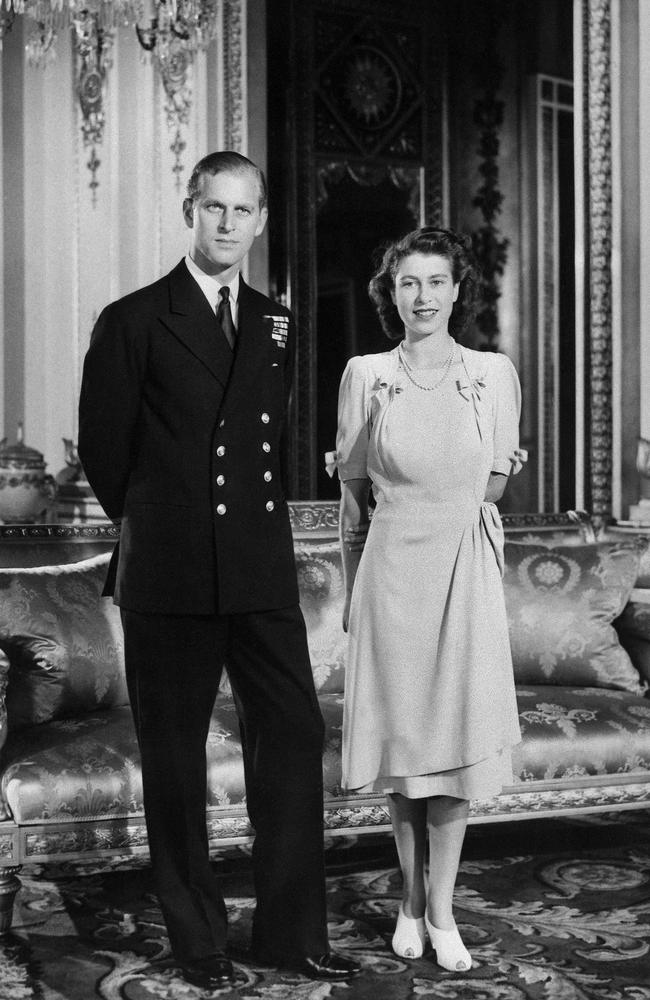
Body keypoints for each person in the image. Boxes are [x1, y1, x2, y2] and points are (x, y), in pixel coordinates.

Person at [78, 151, 360, 991]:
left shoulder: (274, 322)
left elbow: (269, 443)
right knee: (174, 757)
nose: (227, 226)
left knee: (296, 733)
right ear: (189, 211)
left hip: (259, 571)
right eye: (213, 209)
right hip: (170, 573)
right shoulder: (134, 319)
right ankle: (197, 939)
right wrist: (164, 525)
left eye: (243, 212)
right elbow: (104, 452)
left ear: (261, 221)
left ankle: (289, 933)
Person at [334, 227, 524, 972]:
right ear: (391, 292)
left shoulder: (493, 373)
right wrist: (354, 594)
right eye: (408, 282)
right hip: (390, 578)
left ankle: (441, 911)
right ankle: (410, 903)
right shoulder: (364, 374)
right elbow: (353, 496)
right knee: (408, 755)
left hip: (464, 570)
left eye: (436, 281)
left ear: (456, 290)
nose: (423, 296)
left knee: (455, 752)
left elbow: (496, 483)